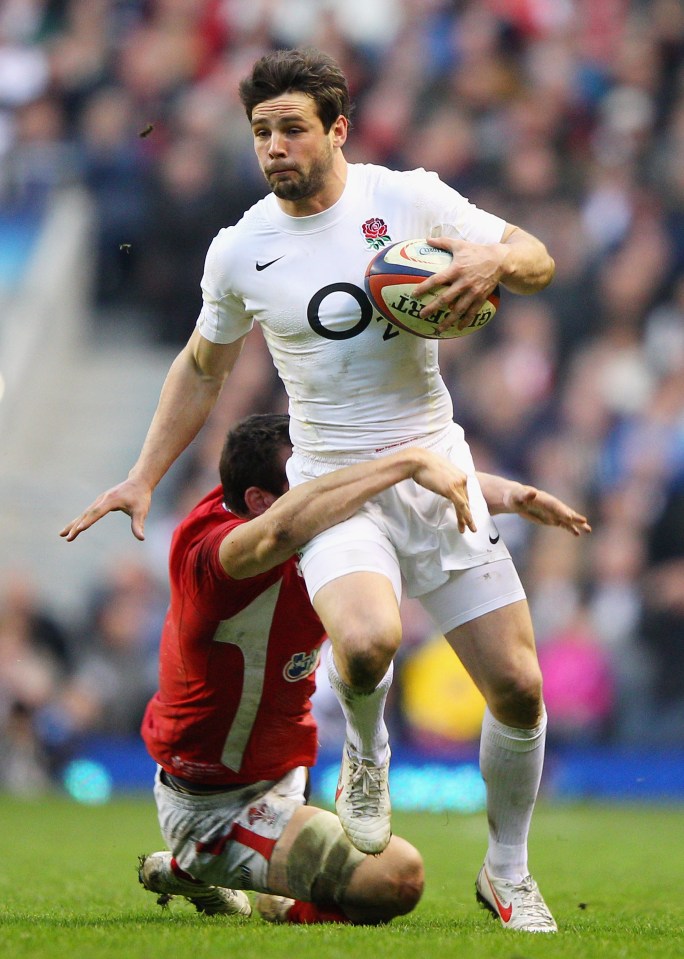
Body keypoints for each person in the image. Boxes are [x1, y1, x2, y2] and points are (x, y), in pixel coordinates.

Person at [61, 48, 587, 932]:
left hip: (436, 461)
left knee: (522, 690)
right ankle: (367, 753)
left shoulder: (406, 198)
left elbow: (535, 256)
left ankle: (507, 872)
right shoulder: (241, 250)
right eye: (261, 130)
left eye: (292, 128)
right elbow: (202, 365)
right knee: (371, 638)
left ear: (338, 129)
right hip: (334, 481)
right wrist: (141, 475)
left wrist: (491, 263)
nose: (274, 146)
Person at [132, 413, 589, 924]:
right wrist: (410, 458)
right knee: (397, 879)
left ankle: (229, 869)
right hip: (214, 804)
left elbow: (385, 497)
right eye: (309, 482)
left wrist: (510, 497)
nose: (332, 495)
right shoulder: (217, 556)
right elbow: (285, 527)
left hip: (287, 776)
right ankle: (208, 863)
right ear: (261, 501)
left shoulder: (312, 522)